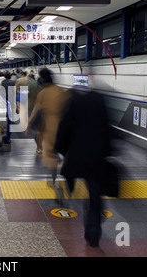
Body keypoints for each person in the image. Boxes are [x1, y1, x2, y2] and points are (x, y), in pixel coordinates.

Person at [54, 88, 112, 248]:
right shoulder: (100, 101)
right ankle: (93, 229)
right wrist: (108, 150)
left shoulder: (74, 105)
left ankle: (69, 188)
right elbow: (107, 128)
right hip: (97, 155)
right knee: (95, 191)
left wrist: (62, 150)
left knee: (70, 174)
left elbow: (64, 129)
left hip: (78, 154)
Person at [26, 68, 69, 184]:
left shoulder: (43, 93)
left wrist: (28, 125)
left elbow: (35, 111)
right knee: (59, 150)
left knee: (50, 154)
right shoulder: (61, 91)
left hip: (49, 127)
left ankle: (54, 181)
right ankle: (63, 176)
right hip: (63, 126)